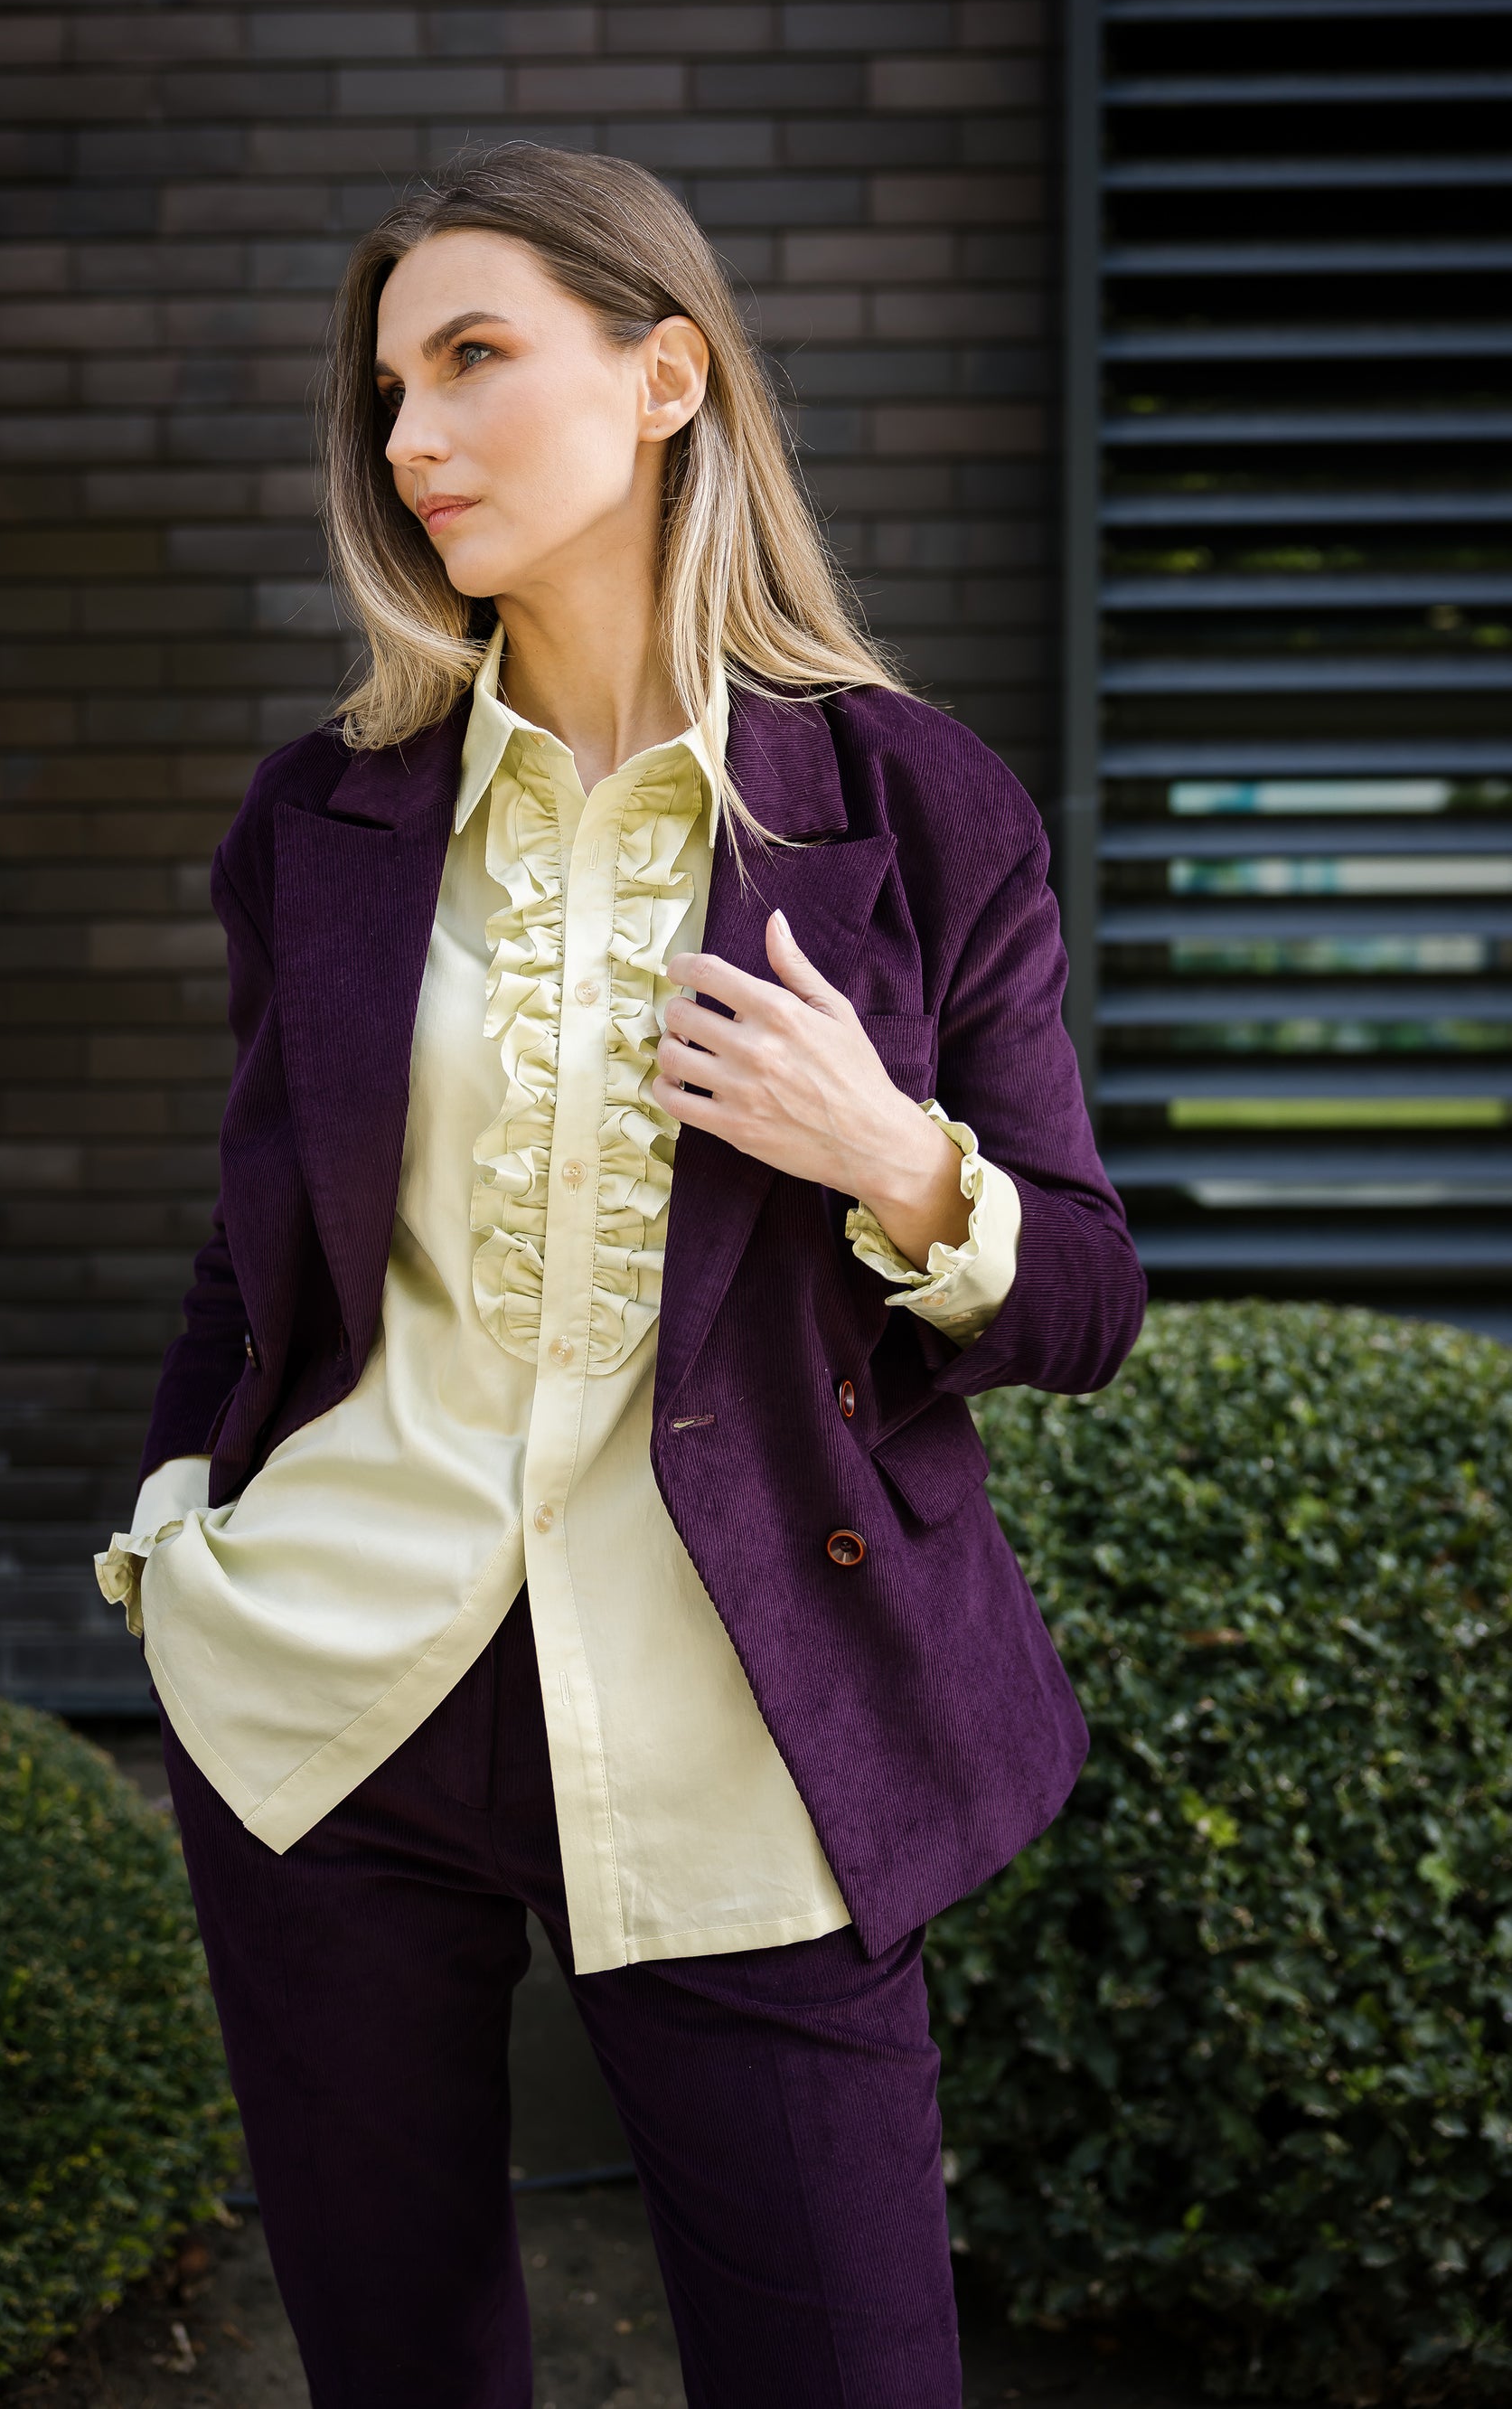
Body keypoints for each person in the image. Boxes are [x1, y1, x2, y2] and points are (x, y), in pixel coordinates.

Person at [96, 144, 1145, 2409]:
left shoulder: (918, 810)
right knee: (402, 2368)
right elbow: (253, 1251)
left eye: (473, 359)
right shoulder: (327, 820)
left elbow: (1082, 1301)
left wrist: (890, 1159)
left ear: (664, 375)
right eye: (388, 387)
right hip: (335, 1706)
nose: (408, 440)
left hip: (747, 1726)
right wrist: (177, 1535)